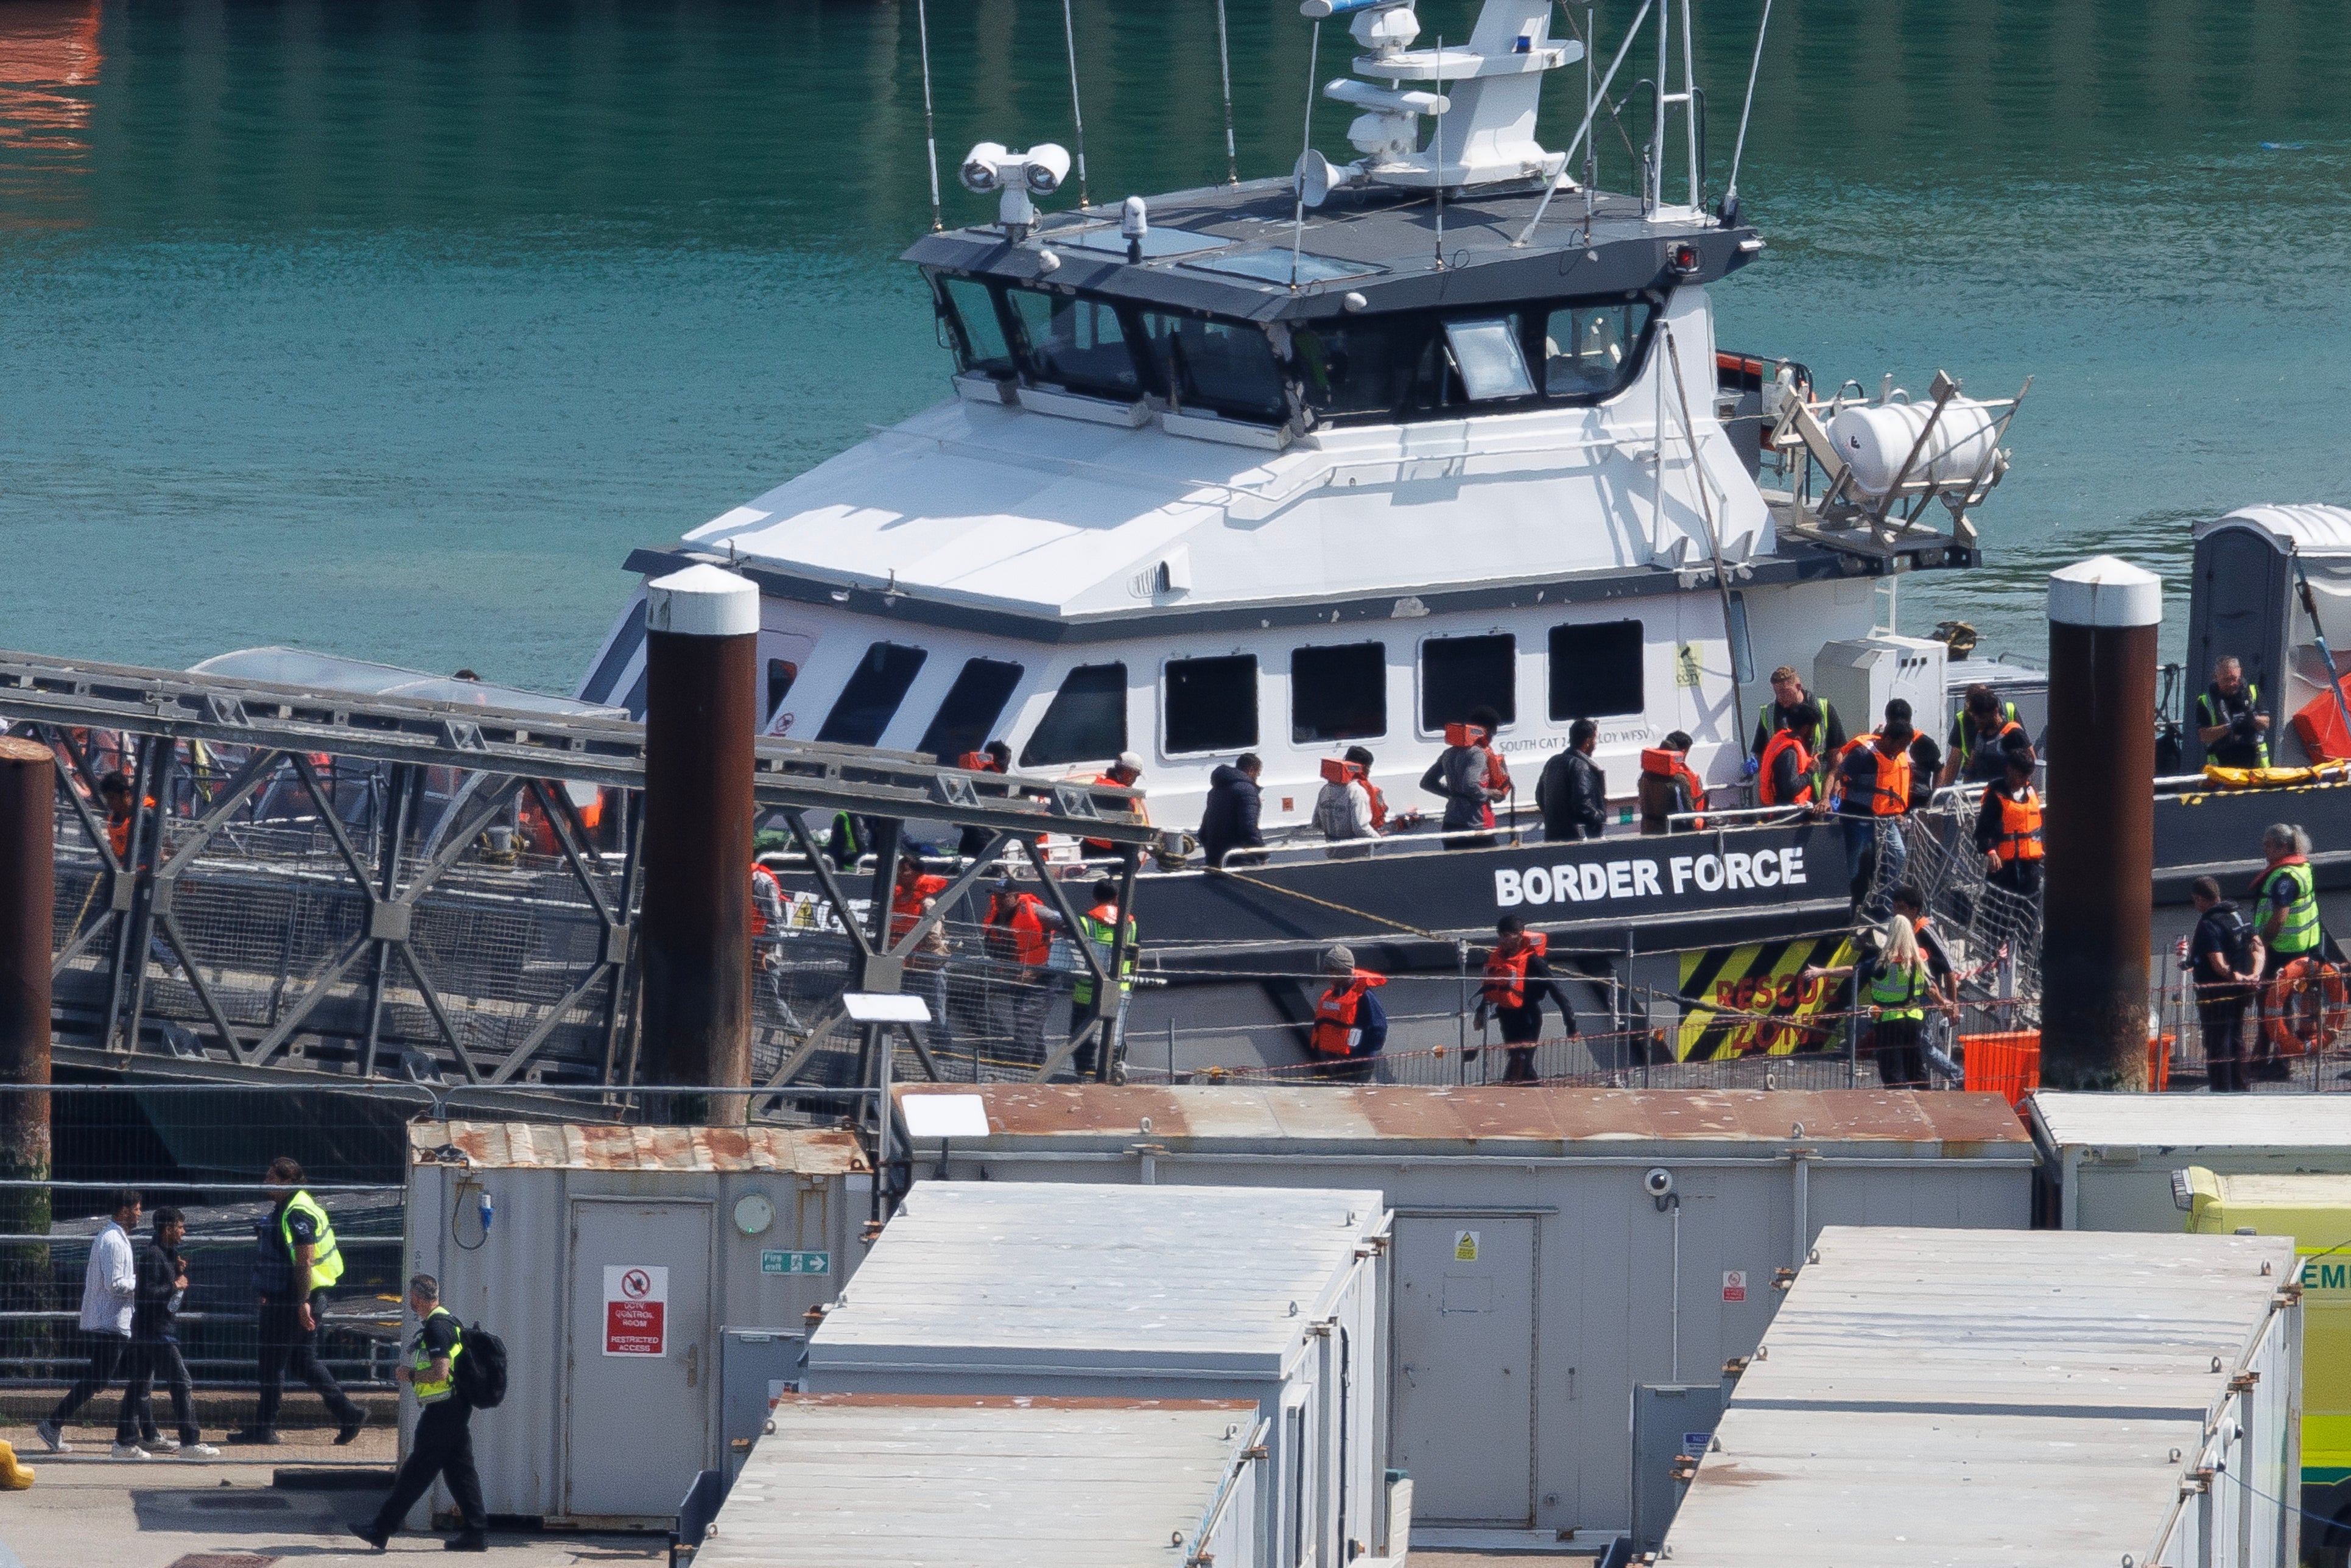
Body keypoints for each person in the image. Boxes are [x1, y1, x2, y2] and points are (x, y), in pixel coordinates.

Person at [230, 1158, 365, 1446]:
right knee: (303, 1363)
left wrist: (302, 1301)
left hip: (295, 1298)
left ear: (287, 1182)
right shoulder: (291, 1206)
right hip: (299, 1295)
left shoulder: (297, 1212)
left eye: (272, 1176)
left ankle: (264, 1427)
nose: (266, 1179)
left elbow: (305, 1261)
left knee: (272, 1362)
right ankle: (348, 1413)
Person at [353, 1273, 486, 1553]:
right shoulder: (449, 1320)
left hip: (444, 1410)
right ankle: (476, 1533)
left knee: (417, 1471)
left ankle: (381, 1528)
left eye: (410, 1298)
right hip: (455, 1408)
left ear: (416, 1298)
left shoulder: (437, 1328)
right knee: (460, 1473)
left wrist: (409, 1374)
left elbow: (440, 1372)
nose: (409, 1302)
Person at [36, 1189, 141, 1457]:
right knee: (101, 1379)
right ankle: (53, 1423)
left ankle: (141, 1435)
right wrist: (143, 1282)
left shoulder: (114, 1237)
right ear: (125, 1210)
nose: (141, 1213)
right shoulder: (114, 1241)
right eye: (138, 1208)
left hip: (113, 1320)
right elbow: (116, 1285)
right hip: (111, 1321)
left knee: (129, 1377)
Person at [120, 1206, 217, 1460]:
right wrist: (174, 1284)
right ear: (168, 1228)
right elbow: (146, 1294)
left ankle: (124, 1442)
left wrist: (178, 1273)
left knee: (139, 1386)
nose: (183, 1232)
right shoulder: (153, 1256)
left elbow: (169, 1296)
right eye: (180, 1227)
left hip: (151, 1331)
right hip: (157, 1332)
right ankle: (190, 1442)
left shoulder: (165, 1255)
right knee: (181, 1382)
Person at [1805, 916, 1932, 1089]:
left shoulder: (1884, 962)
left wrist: (1822, 972)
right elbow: (1930, 987)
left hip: (1889, 1021)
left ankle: (1899, 1105)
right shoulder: (1920, 958)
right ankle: (1926, 1101)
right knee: (1915, 1067)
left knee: (1891, 1070)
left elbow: (1853, 971)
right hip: (1913, 1018)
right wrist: (1944, 1002)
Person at [2251, 822, 2321, 1081]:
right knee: (2281, 1004)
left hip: (2283, 951)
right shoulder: (2302, 868)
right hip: (2305, 946)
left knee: (2276, 1006)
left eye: (2268, 846)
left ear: (2282, 847)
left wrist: (2262, 945)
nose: (2265, 850)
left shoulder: (2285, 878)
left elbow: (2280, 917)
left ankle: (2282, 1061)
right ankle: (2267, 1055)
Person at [1832, 702, 1914, 915]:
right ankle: (1847, 911)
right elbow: (1836, 775)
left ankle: (1885, 907)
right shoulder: (1862, 755)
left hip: (1886, 820)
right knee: (1854, 868)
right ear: (1887, 739)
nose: (1902, 751)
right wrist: (1829, 798)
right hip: (1858, 818)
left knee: (1898, 856)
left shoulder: (1898, 757)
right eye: (1900, 746)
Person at [1475, 916, 1573, 1084]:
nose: (1502, 940)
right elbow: (1492, 986)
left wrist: (1571, 1024)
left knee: (1520, 1062)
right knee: (1520, 1063)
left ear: (1520, 935)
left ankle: (1510, 1093)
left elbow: (1556, 990)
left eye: (1507, 936)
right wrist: (1481, 1010)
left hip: (1529, 1017)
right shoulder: (1498, 958)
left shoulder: (1534, 961)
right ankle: (1535, 1096)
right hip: (1507, 1017)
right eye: (1500, 936)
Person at [983, 868, 1066, 1066]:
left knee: (1025, 1023)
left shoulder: (1038, 912)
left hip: (1043, 978)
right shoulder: (996, 915)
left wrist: (1038, 969)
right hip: (1018, 979)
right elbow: (992, 946)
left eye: (1003, 897)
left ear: (1016, 896)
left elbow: (1070, 928)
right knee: (1030, 1027)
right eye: (996, 896)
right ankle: (1037, 1067)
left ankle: (1020, 1070)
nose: (998, 901)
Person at [2188, 875, 2256, 1092]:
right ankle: (2240, 1085)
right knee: (2236, 1038)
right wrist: (2251, 976)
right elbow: (2258, 946)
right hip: (2239, 992)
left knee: (2218, 1042)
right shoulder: (2238, 916)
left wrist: (2235, 976)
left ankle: (2221, 1089)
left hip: (2215, 994)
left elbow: (2218, 964)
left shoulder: (2209, 924)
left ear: (2199, 899)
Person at [1068, 879, 1136, 1080]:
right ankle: (1115, 1070)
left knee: (1081, 1036)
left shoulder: (1084, 920)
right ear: (1117, 898)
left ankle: (1084, 1074)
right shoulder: (1130, 923)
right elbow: (1134, 954)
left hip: (1086, 992)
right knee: (1116, 1035)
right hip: (1120, 990)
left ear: (1094, 897)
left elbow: (1072, 953)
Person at [1751, 667, 1846, 793]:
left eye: (1785, 692)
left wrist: (1833, 793)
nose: (1780, 697)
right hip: (1785, 792)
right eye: (1776, 692)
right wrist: (1754, 764)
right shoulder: (1769, 714)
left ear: (1798, 687)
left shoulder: (1824, 709)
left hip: (1819, 792)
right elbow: (1760, 753)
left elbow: (1836, 756)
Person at [1310, 944, 1388, 1083]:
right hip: (1337, 1059)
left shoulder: (1364, 995)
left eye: (1333, 970)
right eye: (1328, 970)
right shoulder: (1335, 993)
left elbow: (1379, 1027)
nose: (1329, 974)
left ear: (1343, 970)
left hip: (1359, 1061)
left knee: (1355, 1099)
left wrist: (1362, 1054)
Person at [1973, 743, 2044, 897]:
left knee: (2028, 906)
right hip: (2003, 865)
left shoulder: (2031, 791)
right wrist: (1991, 851)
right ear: (2010, 770)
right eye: (2021, 775)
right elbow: (1983, 830)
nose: (2024, 780)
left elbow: (2037, 825)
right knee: (1997, 907)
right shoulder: (1996, 793)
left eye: (2027, 776)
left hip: (2029, 864)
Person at [1422, 719, 1505, 849]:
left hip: (1450, 824)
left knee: (1455, 868)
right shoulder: (1477, 753)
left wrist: (1453, 794)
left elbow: (1427, 782)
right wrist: (1490, 793)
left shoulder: (1448, 754)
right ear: (1486, 731)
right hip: (1475, 825)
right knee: (1490, 865)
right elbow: (1470, 785)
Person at [1536, 719, 1608, 842]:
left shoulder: (1553, 762)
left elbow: (1539, 797)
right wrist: (1601, 816)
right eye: (1595, 739)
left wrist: (1555, 818)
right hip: (1577, 840)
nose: (1595, 744)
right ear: (1588, 741)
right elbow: (1584, 806)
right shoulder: (1580, 766)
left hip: (1553, 836)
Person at [1939, 684, 2026, 786]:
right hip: (1980, 785)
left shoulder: (2013, 729)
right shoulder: (1974, 729)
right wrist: (1947, 791)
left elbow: (2028, 760)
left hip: (2006, 787)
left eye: (1981, 716)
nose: (1977, 719)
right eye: (1974, 714)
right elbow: (1958, 759)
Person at [2198, 657, 2271, 769]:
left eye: (2234, 679)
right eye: (2226, 680)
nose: (2231, 684)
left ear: (2240, 672)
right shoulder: (2205, 701)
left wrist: (2253, 719)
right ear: (2216, 677)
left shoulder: (2253, 692)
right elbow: (2204, 736)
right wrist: (2230, 727)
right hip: (2222, 768)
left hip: (2256, 766)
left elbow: (2266, 723)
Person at [1199, 754, 1265, 868]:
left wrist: (1212, 855)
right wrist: (1263, 855)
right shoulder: (1247, 791)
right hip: (1238, 860)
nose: (1257, 777)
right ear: (1251, 770)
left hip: (1215, 860)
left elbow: (1203, 832)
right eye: (1258, 774)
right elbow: (1248, 829)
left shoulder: (1216, 790)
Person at [1313, 749, 1381, 857]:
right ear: (1364, 768)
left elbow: (1316, 823)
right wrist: (1378, 840)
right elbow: (1361, 828)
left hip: (1332, 854)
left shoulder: (1325, 790)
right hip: (1355, 857)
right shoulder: (1356, 792)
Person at [1081, 753, 1148, 860]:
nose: (1135, 780)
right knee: (1135, 860)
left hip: (1089, 846)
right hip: (1112, 851)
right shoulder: (1123, 793)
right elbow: (1129, 827)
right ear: (1129, 772)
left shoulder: (1098, 784)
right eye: (1136, 775)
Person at [1756, 701, 1819, 814]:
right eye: (1813, 728)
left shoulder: (1780, 740)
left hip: (1778, 809)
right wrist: (1810, 770)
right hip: (1788, 813)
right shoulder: (1790, 752)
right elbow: (1791, 788)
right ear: (1806, 729)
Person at [954, 741, 1014, 860]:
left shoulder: (975, 776)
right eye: (1007, 762)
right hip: (986, 840)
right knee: (990, 873)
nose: (1007, 767)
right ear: (998, 760)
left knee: (964, 869)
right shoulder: (993, 779)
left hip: (969, 837)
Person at [1636, 733, 1706, 834]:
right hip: (1672, 834)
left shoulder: (1646, 775)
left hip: (1649, 830)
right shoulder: (1679, 779)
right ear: (1683, 752)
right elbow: (1684, 816)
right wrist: (1696, 824)